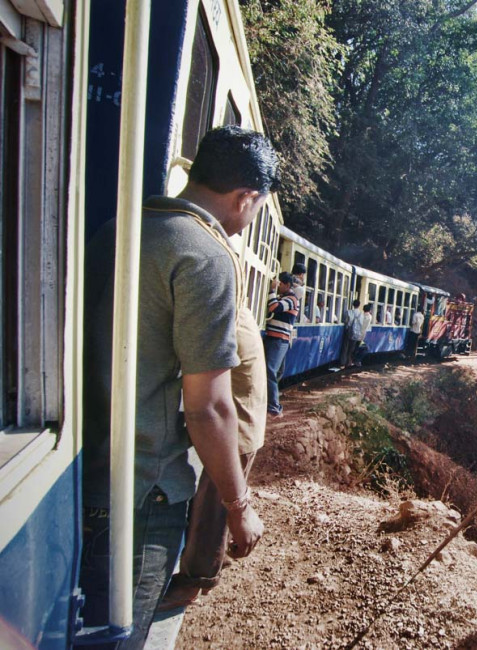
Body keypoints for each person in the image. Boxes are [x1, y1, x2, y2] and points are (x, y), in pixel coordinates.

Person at [81, 125, 277, 648]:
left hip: (84, 477)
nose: (245, 225)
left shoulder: (113, 231)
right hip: (146, 495)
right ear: (246, 197)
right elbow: (208, 408)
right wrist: (239, 509)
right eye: (253, 210)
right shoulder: (205, 257)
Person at [159, 301, 267, 610]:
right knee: (214, 505)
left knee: (214, 509)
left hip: (236, 431)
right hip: (242, 426)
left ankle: (196, 580)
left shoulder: (225, 318)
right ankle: (206, 561)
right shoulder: (239, 312)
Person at [264, 271, 298, 416]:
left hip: (279, 339)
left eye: (280, 284)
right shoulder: (284, 297)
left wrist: (271, 290)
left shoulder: (291, 299)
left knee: (270, 371)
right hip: (278, 339)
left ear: (287, 285)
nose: (278, 287)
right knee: (276, 372)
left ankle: (273, 406)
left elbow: (274, 308)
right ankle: (269, 400)